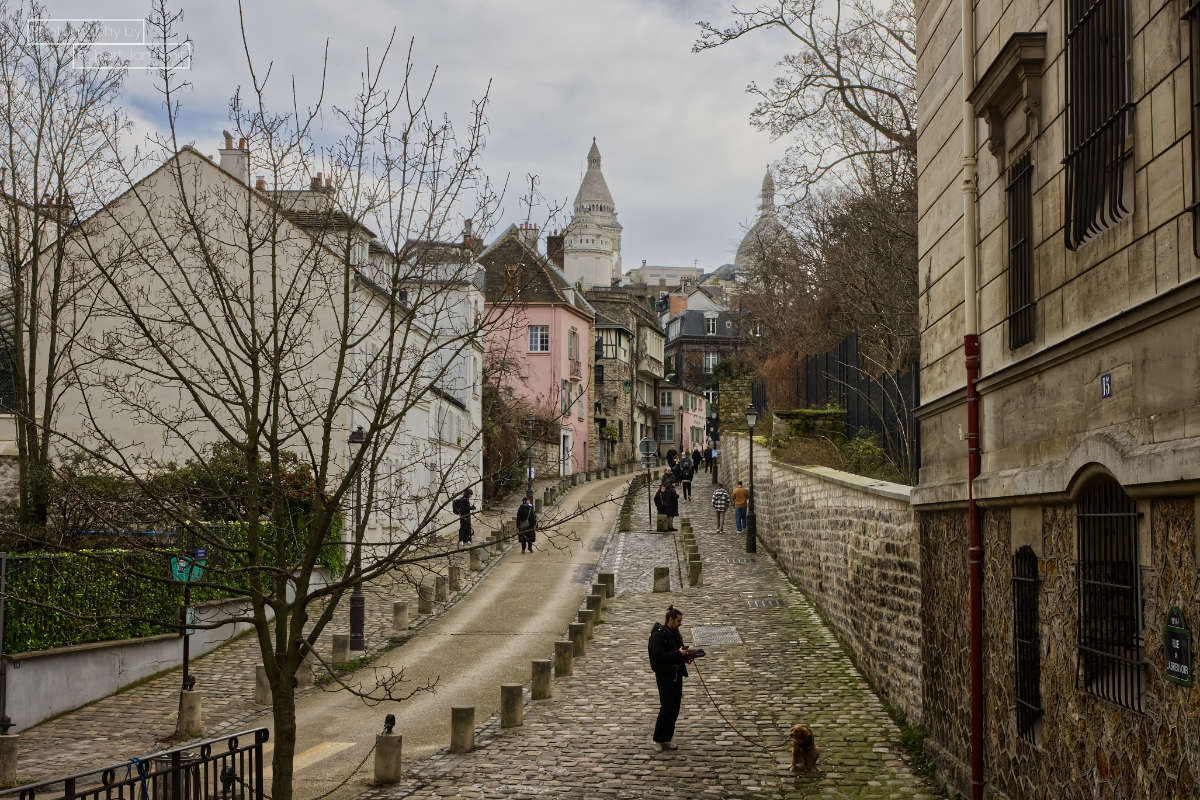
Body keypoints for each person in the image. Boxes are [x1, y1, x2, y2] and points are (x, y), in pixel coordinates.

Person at [647, 605, 699, 751]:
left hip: (677, 675)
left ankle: (667, 738)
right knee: (666, 707)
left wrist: (689, 654)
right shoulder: (658, 635)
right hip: (665, 676)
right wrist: (679, 654)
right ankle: (658, 739)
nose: (680, 623)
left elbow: (679, 651)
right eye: (678, 621)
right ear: (671, 619)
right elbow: (659, 656)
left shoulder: (676, 633)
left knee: (675, 708)